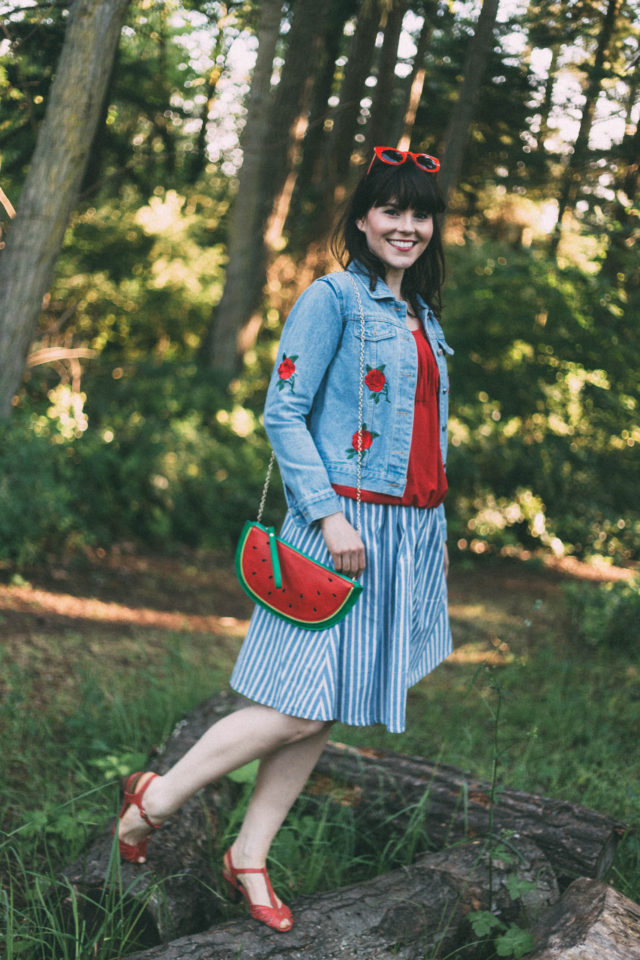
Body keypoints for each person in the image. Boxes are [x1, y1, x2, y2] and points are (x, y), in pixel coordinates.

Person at [116, 146, 454, 934]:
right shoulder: (333, 298)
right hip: (338, 524)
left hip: (403, 532)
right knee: (296, 706)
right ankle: (155, 800)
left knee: (321, 707)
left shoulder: (423, 318)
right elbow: (282, 408)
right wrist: (330, 513)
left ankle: (249, 853)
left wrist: (430, 534)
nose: (406, 226)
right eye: (391, 210)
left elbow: (428, 440)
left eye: (420, 213)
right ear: (364, 217)